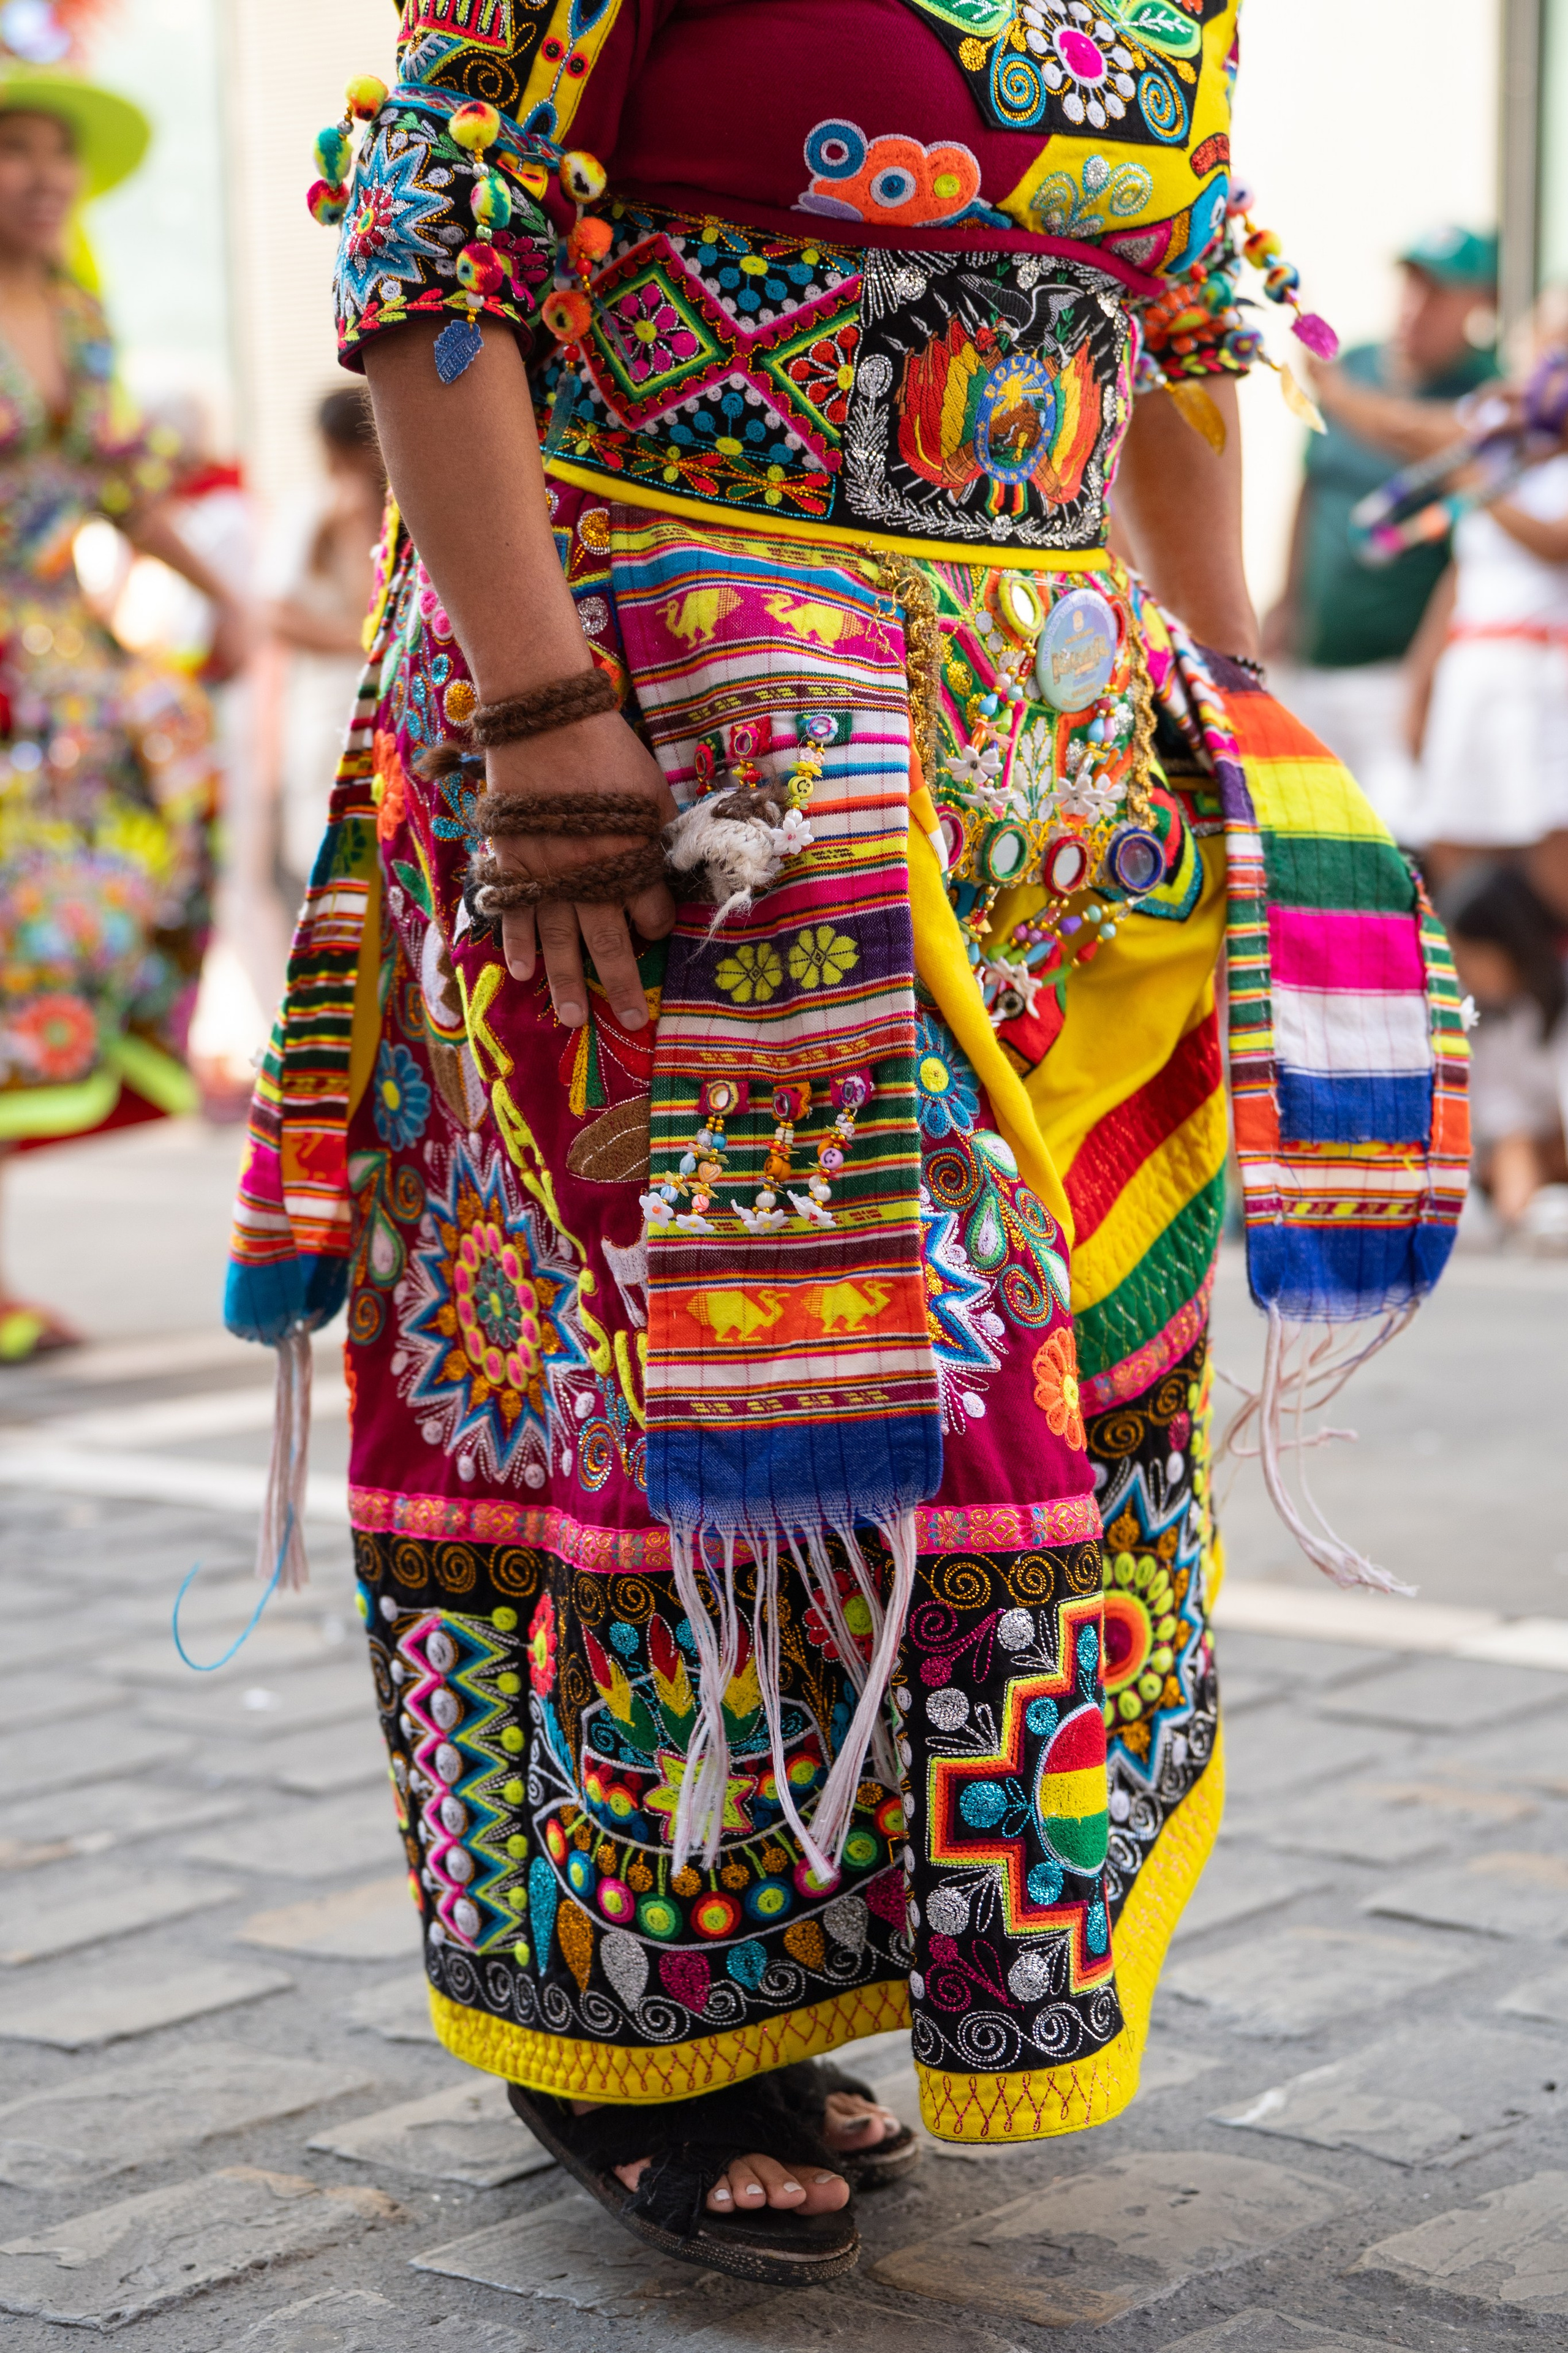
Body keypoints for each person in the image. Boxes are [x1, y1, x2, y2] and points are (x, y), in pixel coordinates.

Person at [227, 1, 1466, 2283]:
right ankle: (641, 2017)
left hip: (1035, 750)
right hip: (681, 734)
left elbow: (1173, 330)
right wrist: (540, 717)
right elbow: (433, 257)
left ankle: (849, 1950)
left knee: (1029, 1385)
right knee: (710, 1389)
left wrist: (1219, 701)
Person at [0, 71, 247, 1360]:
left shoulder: (80, 314)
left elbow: (122, 487)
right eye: (13, 150)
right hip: (20, 685)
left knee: (67, 933)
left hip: (61, 690)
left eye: (59, 153)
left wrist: (232, 601)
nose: (44, 174)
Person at [1264, 227, 1498, 833]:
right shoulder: (1360, 362)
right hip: (1312, 661)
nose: (1415, 307)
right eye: (1411, 286)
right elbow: (1311, 489)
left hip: (1398, 678)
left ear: (1480, 305)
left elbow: (1436, 436)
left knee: (1397, 844)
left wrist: (1338, 396)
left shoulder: (1484, 389)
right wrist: (1286, 602)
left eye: (1439, 293)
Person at [263, 387, 386, 898]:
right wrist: (361, 642)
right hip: (332, 697)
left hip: (365, 692)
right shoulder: (315, 510)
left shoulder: (392, 503)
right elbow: (276, 612)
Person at [1440, 863, 1568, 1238]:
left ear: (1512, 943)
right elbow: (1514, 1135)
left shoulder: (1556, 1006)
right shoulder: (1496, 1021)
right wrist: (1517, 1221)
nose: (1463, 972)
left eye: (1471, 956)